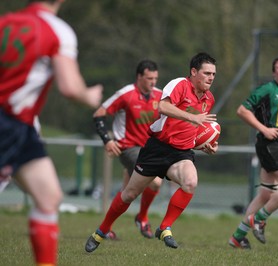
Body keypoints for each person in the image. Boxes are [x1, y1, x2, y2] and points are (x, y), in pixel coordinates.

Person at [0, 0, 103, 265]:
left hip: (20, 126)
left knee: (49, 196)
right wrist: (89, 96)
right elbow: (69, 87)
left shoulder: (6, 22)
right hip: (9, 122)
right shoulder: (58, 30)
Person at [85, 52, 218, 251]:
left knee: (190, 182)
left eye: (213, 74)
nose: (211, 78)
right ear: (193, 72)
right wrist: (193, 118)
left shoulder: (209, 99)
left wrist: (204, 144)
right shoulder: (180, 85)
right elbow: (163, 107)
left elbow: (196, 129)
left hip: (181, 153)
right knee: (129, 194)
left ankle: (164, 227)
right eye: (206, 73)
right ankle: (102, 231)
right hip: (157, 148)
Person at [229, 55, 278, 249]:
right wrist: (264, 129)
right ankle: (258, 219)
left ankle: (237, 238)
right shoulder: (266, 89)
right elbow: (242, 110)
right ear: (274, 72)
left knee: (266, 194)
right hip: (268, 144)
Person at [93, 59, 163, 239]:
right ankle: (143, 217)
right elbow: (99, 115)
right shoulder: (125, 94)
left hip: (148, 149)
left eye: (155, 78)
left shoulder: (160, 96)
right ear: (139, 77)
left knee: (127, 194)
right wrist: (107, 140)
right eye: (149, 78)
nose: (153, 82)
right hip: (128, 148)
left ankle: (106, 228)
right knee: (155, 181)